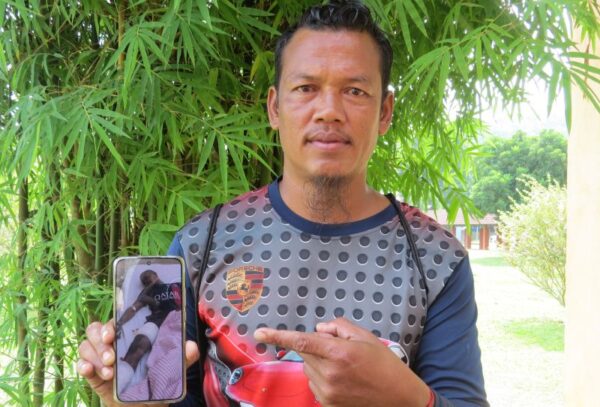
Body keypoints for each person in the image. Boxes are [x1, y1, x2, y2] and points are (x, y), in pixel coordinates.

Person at [77, 1, 488, 406]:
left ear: (384, 112)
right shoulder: (203, 243)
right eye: (306, 88)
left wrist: (405, 395)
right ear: (275, 107)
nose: (329, 111)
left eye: (355, 91)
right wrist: (131, 403)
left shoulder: (435, 259)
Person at [114, 269, 183, 396]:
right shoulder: (147, 293)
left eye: (147, 277)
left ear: (156, 275)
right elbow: (133, 309)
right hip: (156, 321)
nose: (146, 280)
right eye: (144, 281)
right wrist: (119, 323)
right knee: (139, 344)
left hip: (176, 320)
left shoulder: (176, 285)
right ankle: (120, 382)